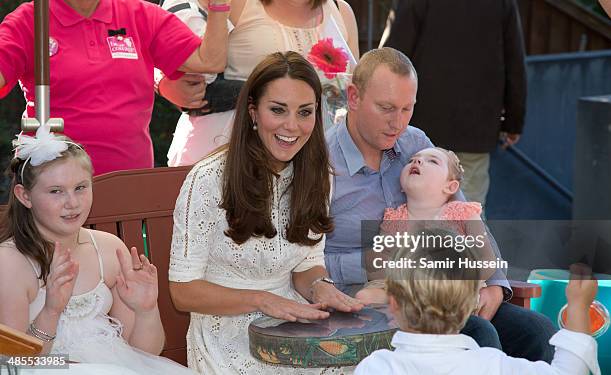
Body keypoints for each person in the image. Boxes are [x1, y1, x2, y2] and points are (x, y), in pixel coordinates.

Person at [325, 47, 557, 361]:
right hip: (372, 304)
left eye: (407, 109)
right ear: (353, 97)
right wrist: (371, 260)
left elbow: (466, 217)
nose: (397, 123)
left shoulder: (415, 144)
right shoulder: (322, 161)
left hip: (445, 295)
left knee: (539, 332)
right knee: (478, 333)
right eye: (386, 108)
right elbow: (304, 261)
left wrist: (495, 284)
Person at [168, 51, 364, 374]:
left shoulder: (317, 175)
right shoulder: (208, 180)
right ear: (253, 113)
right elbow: (183, 291)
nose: (292, 126)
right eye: (278, 110)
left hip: (291, 321)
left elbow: (307, 264)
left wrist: (321, 288)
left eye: (305, 112)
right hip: (224, 332)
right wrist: (261, 299)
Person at [0, 129, 195, 374]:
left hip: (116, 365)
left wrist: (145, 310)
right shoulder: (11, 261)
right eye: (55, 191)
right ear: (24, 196)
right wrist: (51, 310)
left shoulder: (108, 249)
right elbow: (13, 362)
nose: (72, 203)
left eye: (80, 187)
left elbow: (147, 353)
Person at [0, 0, 231, 175]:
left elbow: (209, 61)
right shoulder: (29, 19)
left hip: (128, 185)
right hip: (52, 184)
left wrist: (218, 7)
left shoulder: (139, 14)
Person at [355, 231, 601, 375]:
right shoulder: (493, 367)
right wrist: (578, 307)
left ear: (394, 303)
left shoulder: (375, 368)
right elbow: (569, 370)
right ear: (472, 304)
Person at [161, 0, 359, 166]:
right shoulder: (238, 3)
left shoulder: (341, 11)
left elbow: (354, 94)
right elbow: (170, 31)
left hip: (311, 167)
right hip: (228, 158)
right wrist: (161, 81)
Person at [381, 0, 527, 212]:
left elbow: (391, 58)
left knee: (407, 209)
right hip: (474, 128)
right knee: (465, 213)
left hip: (417, 127)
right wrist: (514, 121)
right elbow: (514, 61)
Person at [354, 147, 492, 305]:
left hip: (453, 287)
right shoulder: (396, 219)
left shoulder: (462, 214)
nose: (417, 161)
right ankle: (415, 303)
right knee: (365, 296)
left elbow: (487, 259)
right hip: (408, 287)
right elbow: (380, 262)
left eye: (432, 161)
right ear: (401, 186)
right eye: (411, 160)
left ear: (450, 187)